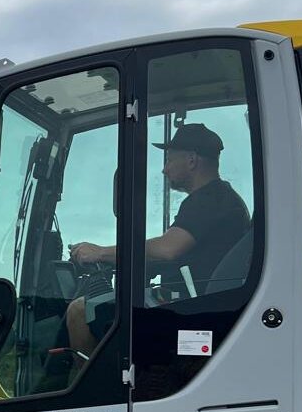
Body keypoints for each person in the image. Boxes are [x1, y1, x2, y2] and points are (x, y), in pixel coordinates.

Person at [63, 123, 251, 359]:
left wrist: (100, 253)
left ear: (192, 160)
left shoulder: (209, 200)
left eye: (170, 160)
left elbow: (167, 249)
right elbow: (177, 255)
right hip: (195, 301)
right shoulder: (222, 199)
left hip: (192, 308)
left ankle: (91, 392)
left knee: (79, 311)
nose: (164, 169)